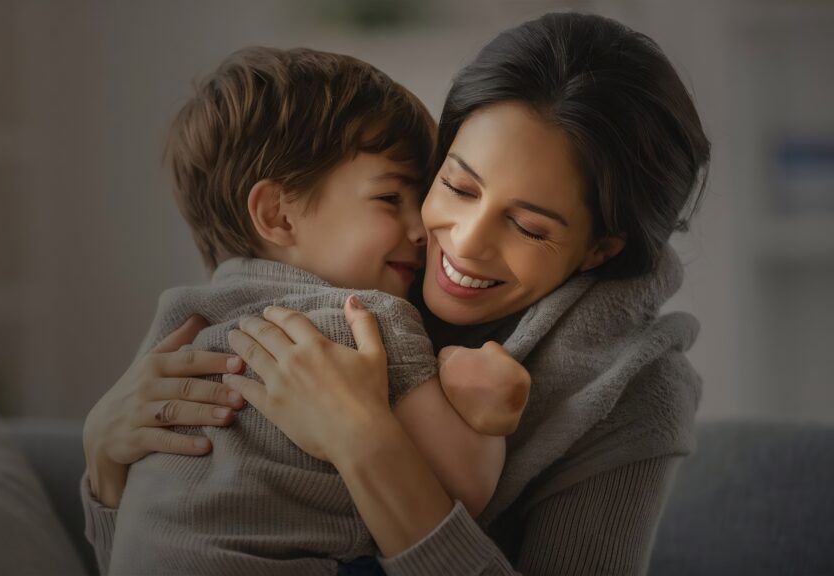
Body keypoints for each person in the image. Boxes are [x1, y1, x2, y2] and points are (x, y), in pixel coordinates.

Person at [83, 12, 710, 575]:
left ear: (602, 246)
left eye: (528, 226)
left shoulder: (635, 392)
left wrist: (365, 443)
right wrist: (107, 470)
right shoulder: (366, 290)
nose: (461, 244)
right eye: (458, 188)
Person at [103, 47, 529, 576]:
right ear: (277, 215)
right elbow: (465, 486)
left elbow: (136, 528)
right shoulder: (366, 321)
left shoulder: (181, 319)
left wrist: (100, 477)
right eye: (390, 198)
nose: (421, 230)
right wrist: (489, 412)